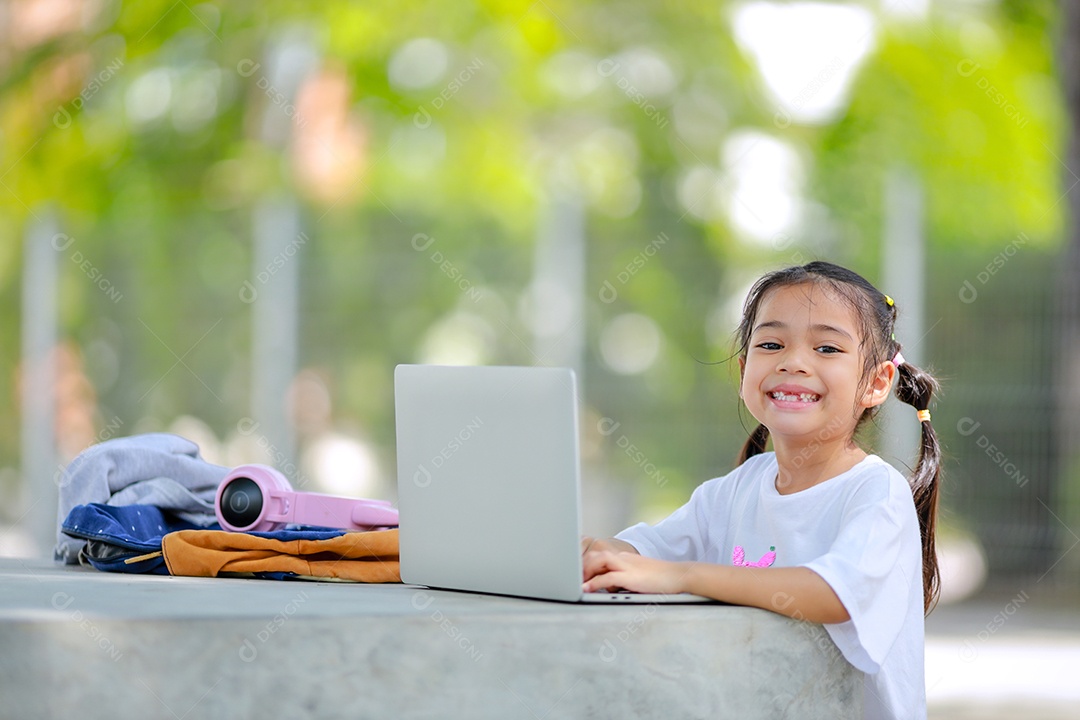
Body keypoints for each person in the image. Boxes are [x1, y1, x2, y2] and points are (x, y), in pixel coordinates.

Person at [581, 261, 941, 720]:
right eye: (771, 344)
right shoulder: (735, 489)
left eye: (827, 347)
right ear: (744, 369)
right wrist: (600, 553)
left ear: (875, 383)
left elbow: (833, 595)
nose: (793, 361)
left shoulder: (876, 493)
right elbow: (647, 549)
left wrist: (682, 576)